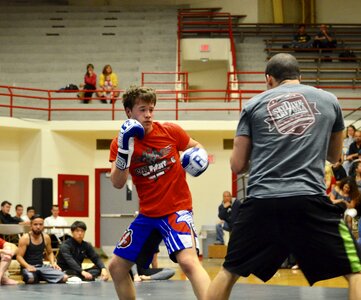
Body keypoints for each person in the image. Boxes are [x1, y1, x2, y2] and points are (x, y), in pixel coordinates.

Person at [206, 53, 361, 300]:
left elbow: (237, 165)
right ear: (300, 76)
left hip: (261, 201)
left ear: (269, 79)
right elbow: (334, 157)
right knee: (355, 272)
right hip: (308, 199)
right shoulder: (329, 101)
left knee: (228, 271)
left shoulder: (254, 105)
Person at [108, 86, 210, 300]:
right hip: (147, 215)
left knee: (188, 261)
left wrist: (198, 159)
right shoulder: (120, 143)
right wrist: (126, 150)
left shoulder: (170, 131)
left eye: (151, 109)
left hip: (176, 210)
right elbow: (117, 183)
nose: (148, 115)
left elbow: (197, 146)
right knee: (117, 267)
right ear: (128, 112)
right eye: (142, 109)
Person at [16, 215, 68, 284]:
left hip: (41, 266)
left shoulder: (46, 237)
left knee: (64, 277)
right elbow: (19, 256)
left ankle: (41, 275)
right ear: (31, 226)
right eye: (35, 224)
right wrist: (27, 266)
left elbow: (50, 253)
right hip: (28, 267)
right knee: (31, 279)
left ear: (43, 226)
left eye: (40, 224)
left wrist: (53, 263)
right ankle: (41, 276)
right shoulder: (25, 238)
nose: (38, 227)